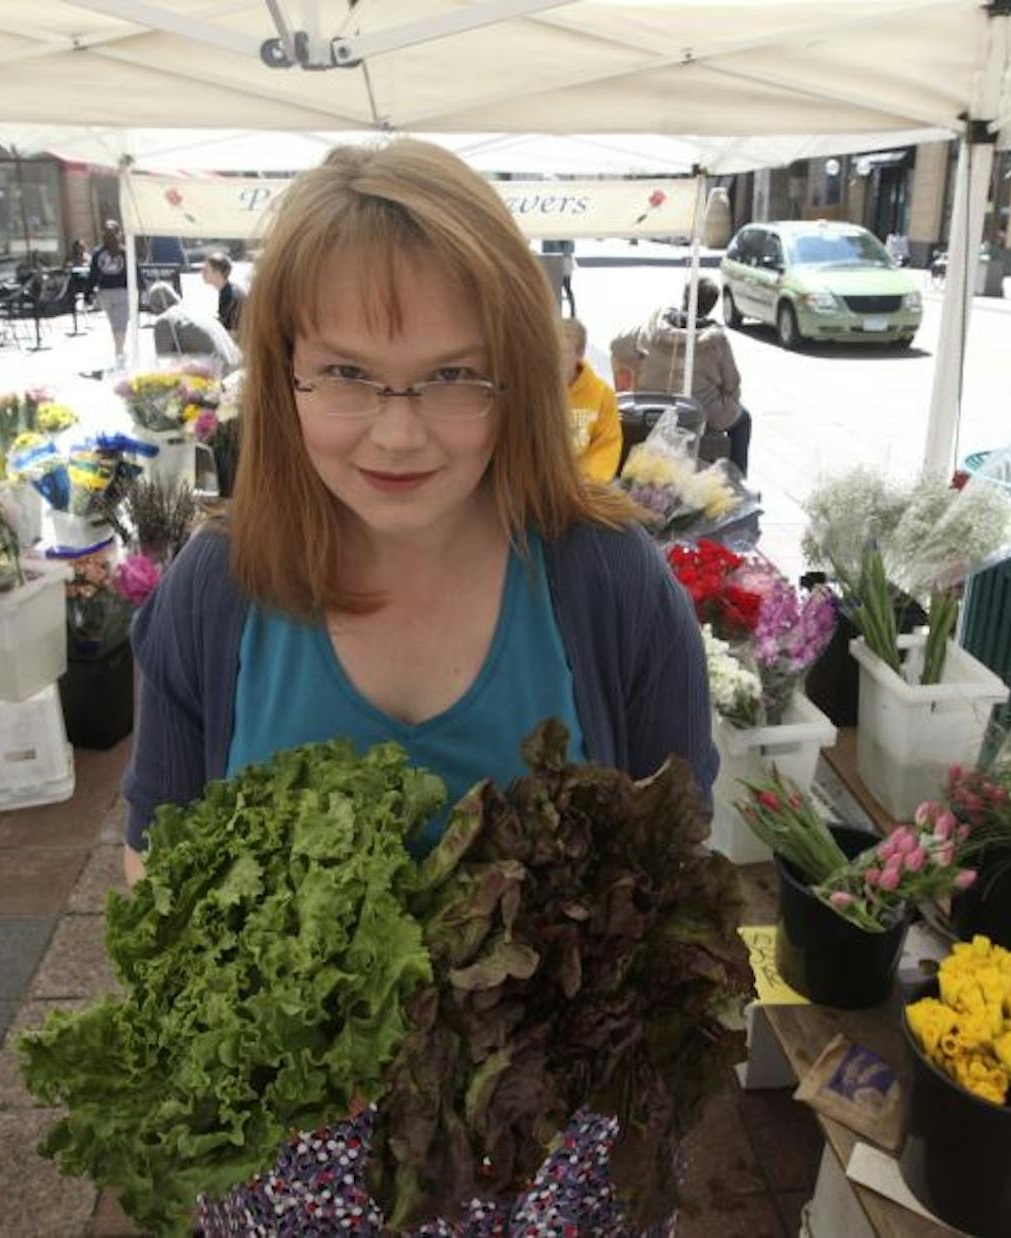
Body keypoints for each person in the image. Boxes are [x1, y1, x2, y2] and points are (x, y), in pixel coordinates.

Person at [120, 139, 715, 1226]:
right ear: (286, 368)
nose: (399, 432)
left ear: (517, 376)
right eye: (347, 372)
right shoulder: (219, 588)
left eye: (452, 374)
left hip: (544, 1158)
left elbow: (676, 863)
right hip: (291, 1162)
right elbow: (155, 862)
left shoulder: (609, 583)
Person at [609, 277, 752, 475]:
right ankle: (737, 480)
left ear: (684, 297)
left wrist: (634, 371)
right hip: (698, 406)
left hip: (650, 398)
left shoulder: (654, 324)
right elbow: (732, 383)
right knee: (744, 420)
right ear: (712, 305)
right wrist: (730, 401)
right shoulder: (716, 339)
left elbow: (617, 345)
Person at [559, 317, 621, 483]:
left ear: (579, 355)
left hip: (584, 491)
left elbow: (607, 445)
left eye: (563, 352)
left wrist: (588, 483)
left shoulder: (602, 395)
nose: (555, 360)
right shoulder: (535, 392)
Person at [142, 280, 242, 372]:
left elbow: (164, 363)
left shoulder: (165, 320)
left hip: (216, 373)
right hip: (236, 366)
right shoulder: (195, 310)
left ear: (155, 306)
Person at [88, 220, 132, 368]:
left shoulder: (98, 253)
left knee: (114, 322)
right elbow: (134, 271)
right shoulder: (125, 252)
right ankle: (119, 351)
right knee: (121, 324)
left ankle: (119, 351)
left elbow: (92, 275)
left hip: (104, 292)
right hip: (122, 291)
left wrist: (87, 292)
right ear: (119, 234)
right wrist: (141, 288)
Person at [200, 250, 246, 333]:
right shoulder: (229, 289)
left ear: (217, 273)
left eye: (206, 270)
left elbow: (223, 326)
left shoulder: (229, 294)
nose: (202, 273)